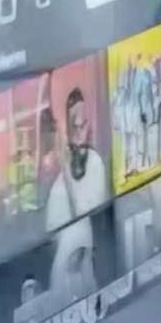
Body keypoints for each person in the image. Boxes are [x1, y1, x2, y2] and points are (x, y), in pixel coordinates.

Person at [45, 85, 102, 223]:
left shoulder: (95, 163)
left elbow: (85, 214)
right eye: (74, 128)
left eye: (82, 126)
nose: (79, 136)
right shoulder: (56, 190)